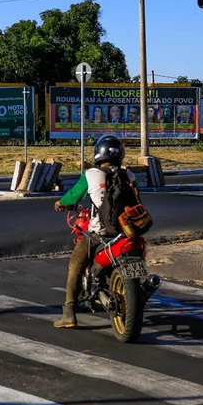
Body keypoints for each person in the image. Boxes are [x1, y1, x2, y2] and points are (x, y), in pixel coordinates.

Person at [52, 135, 137, 329]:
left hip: (99, 235)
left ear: (98, 153)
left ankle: (69, 314)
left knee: (75, 265)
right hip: (126, 234)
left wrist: (60, 203)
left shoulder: (91, 174)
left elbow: (72, 196)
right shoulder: (130, 175)